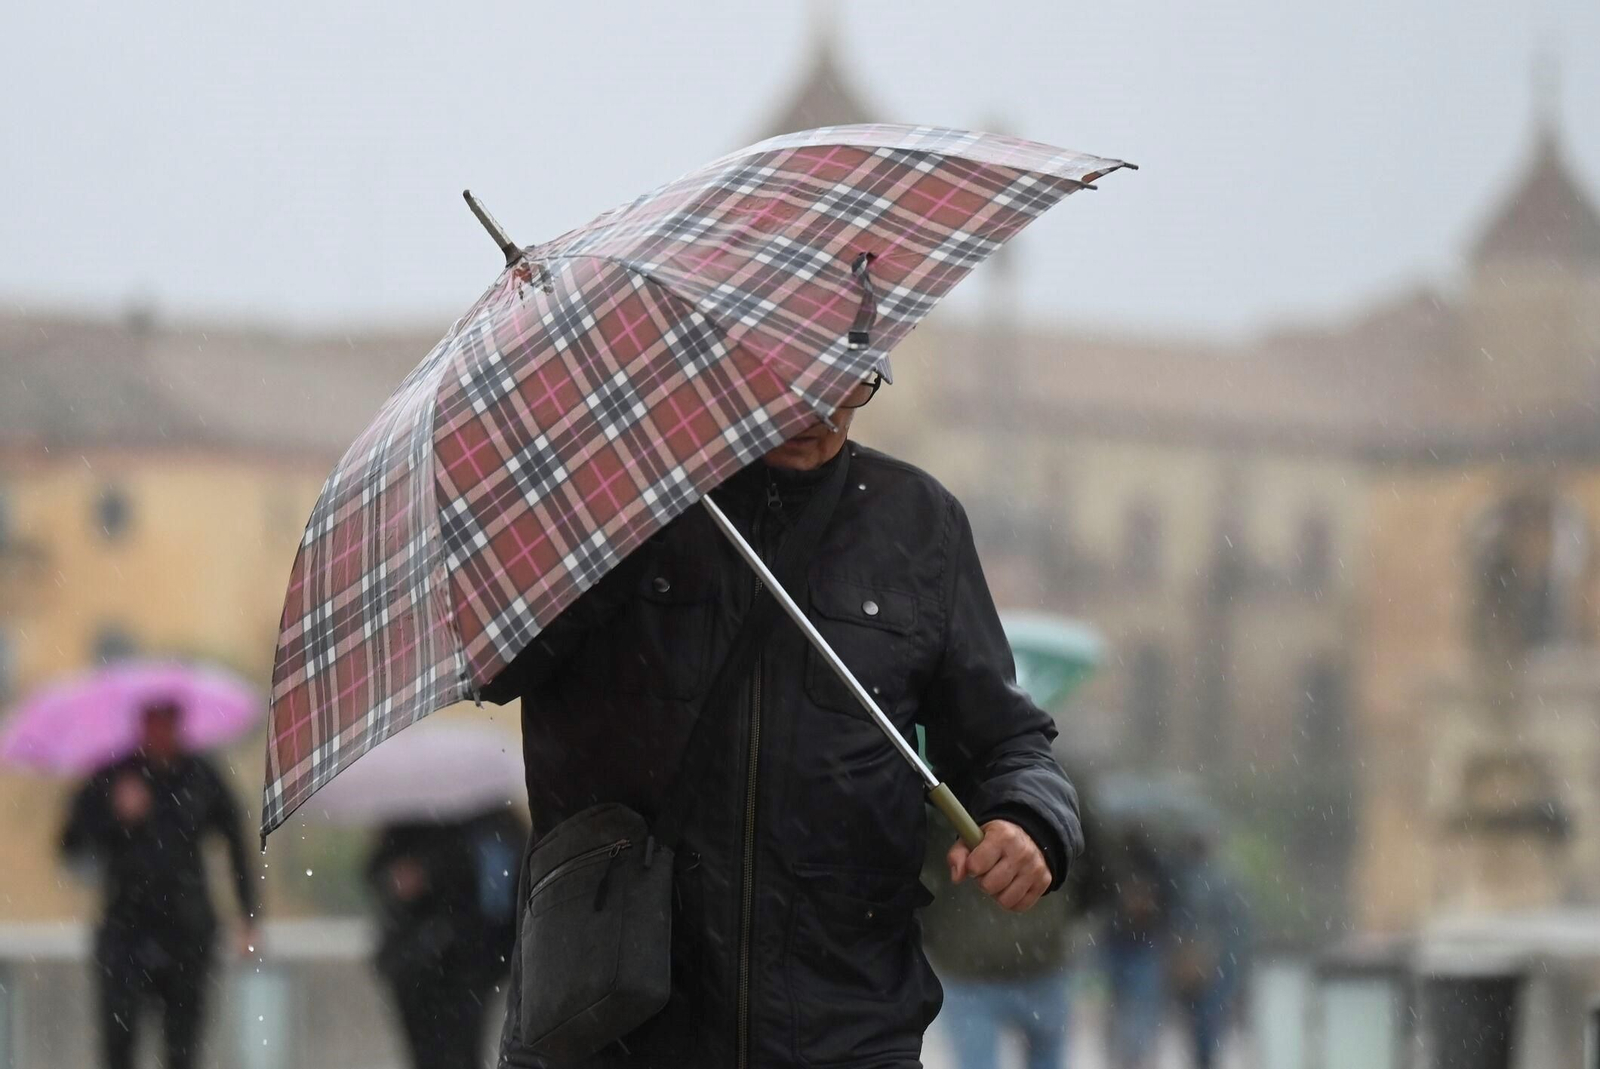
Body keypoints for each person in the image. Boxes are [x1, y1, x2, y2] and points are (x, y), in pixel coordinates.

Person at [484, 368, 1084, 1068]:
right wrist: (603, 504)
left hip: (845, 1026)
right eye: (791, 379)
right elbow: (498, 664)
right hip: (612, 1021)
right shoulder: (612, 504)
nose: (818, 410)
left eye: (849, 384)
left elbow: (1007, 740)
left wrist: (1028, 818)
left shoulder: (921, 525)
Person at [60, 699, 258, 1069]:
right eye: (154, 721)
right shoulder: (112, 775)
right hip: (125, 931)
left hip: (187, 931)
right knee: (119, 1043)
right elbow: (72, 844)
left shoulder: (200, 776)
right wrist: (115, 815)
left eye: (169, 721)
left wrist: (248, 914)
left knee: (183, 1047)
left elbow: (236, 841)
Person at [922, 770, 1112, 1069]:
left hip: (980, 962)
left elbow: (920, 869)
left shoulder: (942, 781)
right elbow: (1095, 864)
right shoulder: (1058, 778)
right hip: (1027, 958)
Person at [367, 807, 529, 1069]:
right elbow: (377, 871)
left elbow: (504, 884)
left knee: (458, 1049)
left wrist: (426, 873)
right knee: (431, 1051)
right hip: (418, 961)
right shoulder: (410, 818)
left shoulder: (493, 822)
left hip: (467, 963)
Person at [1170, 832, 1250, 1069]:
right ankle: (1206, 1058)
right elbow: (1239, 926)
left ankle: (1203, 1058)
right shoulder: (1225, 880)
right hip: (1219, 961)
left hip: (1198, 960)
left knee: (1199, 1021)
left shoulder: (1186, 881)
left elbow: (1180, 922)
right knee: (1210, 1020)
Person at [1102, 827, 1175, 1069]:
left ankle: (1134, 1055)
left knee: (1137, 1006)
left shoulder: (1153, 867)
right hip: (1124, 944)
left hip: (1141, 944)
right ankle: (1130, 1054)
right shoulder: (1116, 867)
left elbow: (1168, 906)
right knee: (1129, 1006)